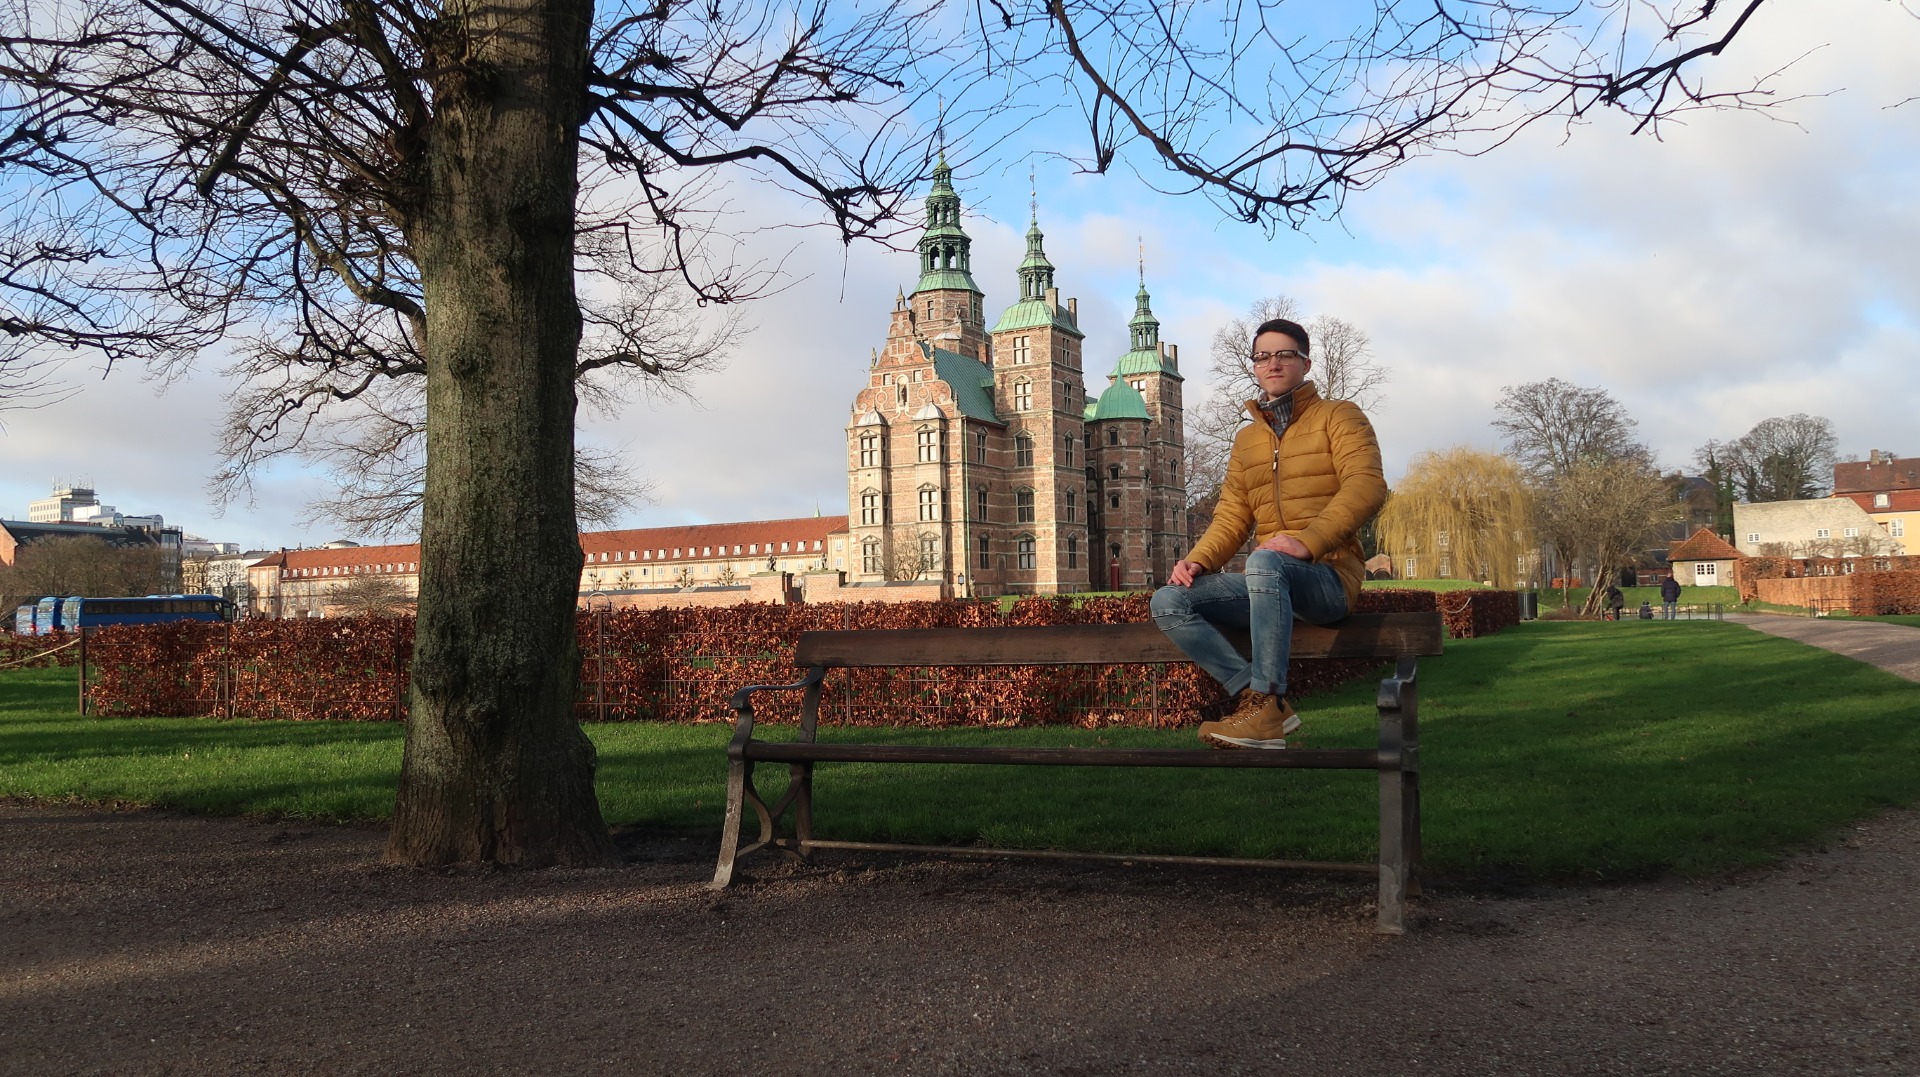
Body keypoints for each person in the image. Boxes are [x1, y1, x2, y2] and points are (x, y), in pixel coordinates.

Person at [1150, 317, 1388, 749]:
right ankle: (1259, 701)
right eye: (1262, 356)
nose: (1272, 363)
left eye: (1284, 354)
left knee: (1263, 560)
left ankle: (1268, 701)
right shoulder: (1248, 440)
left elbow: (1366, 486)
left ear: (1305, 363)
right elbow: (1231, 515)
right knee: (1169, 600)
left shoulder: (1339, 416)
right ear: (1255, 366)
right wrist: (1198, 560)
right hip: (1269, 585)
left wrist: (1308, 542)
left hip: (1328, 578)